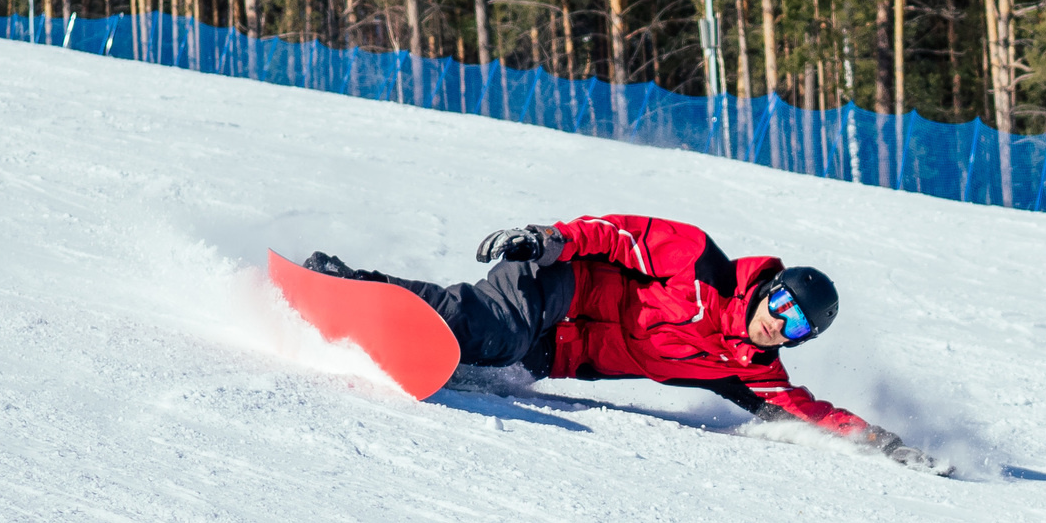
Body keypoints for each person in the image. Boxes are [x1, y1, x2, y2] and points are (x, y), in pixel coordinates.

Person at [305, 213, 938, 470]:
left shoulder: (748, 372)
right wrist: (549, 241)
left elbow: (810, 412)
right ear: (769, 288)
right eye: (781, 305)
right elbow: (617, 235)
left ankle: (396, 330)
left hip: (559, 353)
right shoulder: (701, 263)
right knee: (497, 329)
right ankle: (350, 287)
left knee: (494, 368)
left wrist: (883, 442)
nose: (778, 323)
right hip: (562, 283)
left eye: (796, 325)